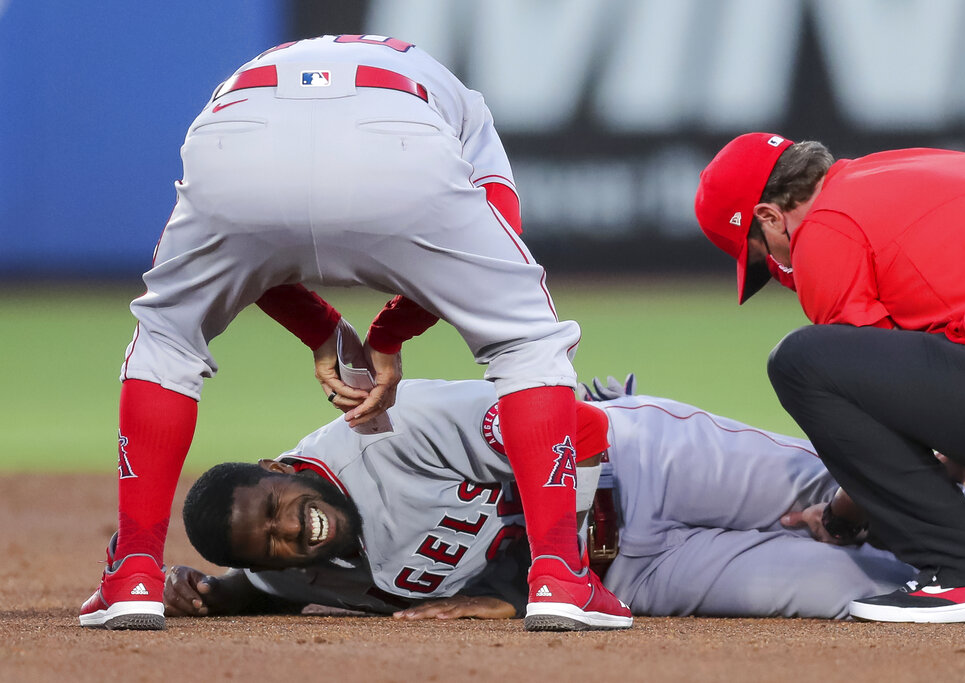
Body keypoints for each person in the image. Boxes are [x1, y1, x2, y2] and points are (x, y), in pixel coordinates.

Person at [80, 34, 629, 632]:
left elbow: (241, 254)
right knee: (526, 346)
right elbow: (500, 230)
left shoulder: (248, 76)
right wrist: (389, 333)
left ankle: (133, 572)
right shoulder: (458, 98)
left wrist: (323, 329)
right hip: (396, 136)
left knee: (166, 344)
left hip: (235, 139)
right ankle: (556, 575)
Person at [162, 376, 938, 623]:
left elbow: (568, 422)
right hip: (635, 575)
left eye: (274, 505)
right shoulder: (293, 571)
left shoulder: (386, 431)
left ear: (280, 467)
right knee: (853, 592)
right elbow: (258, 587)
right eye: (268, 540)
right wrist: (208, 593)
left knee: (854, 491)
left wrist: (514, 591)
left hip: (648, 462)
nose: (289, 528)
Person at [693, 132, 965, 622]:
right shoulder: (905, 168)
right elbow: (954, 373)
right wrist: (945, 479)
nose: (782, 269)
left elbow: (889, 412)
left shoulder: (825, 231)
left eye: (766, 254)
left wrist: (842, 516)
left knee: (801, 361)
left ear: (768, 217)